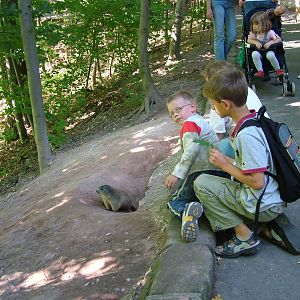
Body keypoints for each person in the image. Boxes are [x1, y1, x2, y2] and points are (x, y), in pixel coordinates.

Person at [193, 68, 284, 258]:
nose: (213, 109)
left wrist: (225, 165)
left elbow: (257, 182)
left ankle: (244, 236)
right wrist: (230, 161)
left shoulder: (246, 135)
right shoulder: (254, 119)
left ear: (225, 104)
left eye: (213, 105)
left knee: (202, 184)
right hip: (274, 195)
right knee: (219, 178)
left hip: (263, 203)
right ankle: (261, 225)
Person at [165, 90, 229, 243]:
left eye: (178, 109)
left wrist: (177, 173)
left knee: (176, 201)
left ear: (192, 107)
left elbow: (191, 149)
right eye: (171, 113)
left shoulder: (189, 124)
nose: (175, 115)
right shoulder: (201, 122)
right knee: (201, 198)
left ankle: (185, 213)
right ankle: (200, 212)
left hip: (200, 172)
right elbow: (202, 145)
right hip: (218, 171)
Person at [202, 61, 268, 157]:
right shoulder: (244, 89)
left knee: (219, 146)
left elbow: (217, 136)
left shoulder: (219, 101)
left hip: (251, 144)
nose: (212, 106)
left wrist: (225, 163)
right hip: (265, 134)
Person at [247, 11, 284, 78]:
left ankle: (278, 70)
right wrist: (255, 42)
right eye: (252, 24)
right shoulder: (253, 33)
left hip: (269, 50)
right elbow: (248, 40)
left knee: (270, 55)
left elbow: (279, 39)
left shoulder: (269, 33)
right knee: (254, 54)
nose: (254, 26)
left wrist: (271, 42)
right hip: (258, 51)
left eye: (256, 24)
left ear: (264, 24)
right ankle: (260, 71)